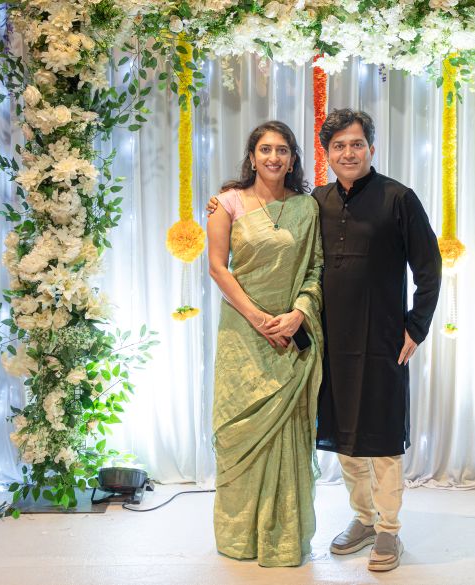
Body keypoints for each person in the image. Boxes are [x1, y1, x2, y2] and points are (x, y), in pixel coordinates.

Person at [209, 109, 442, 572]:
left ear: (371, 147)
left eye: (356, 144)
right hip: (327, 341)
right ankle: (364, 519)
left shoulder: (399, 198)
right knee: (346, 439)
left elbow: (429, 267)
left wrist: (415, 327)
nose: (348, 153)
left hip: (381, 342)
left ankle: (389, 530)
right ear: (326, 153)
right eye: (338, 146)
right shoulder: (317, 201)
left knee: (382, 439)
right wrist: (225, 201)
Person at [206, 120, 324, 568]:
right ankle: (239, 536)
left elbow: (315, 268)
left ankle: (283, 537)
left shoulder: (306, 208)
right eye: (265, 150)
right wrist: (258, 319)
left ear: (292, 160)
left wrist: (298, 315)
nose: (274, 157)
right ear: (252, 157)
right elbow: (218, 268)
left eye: (282, 150)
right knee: (239, 427)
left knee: (287, 431)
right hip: (242, 333)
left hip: (289, 335)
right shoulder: (227, 203)